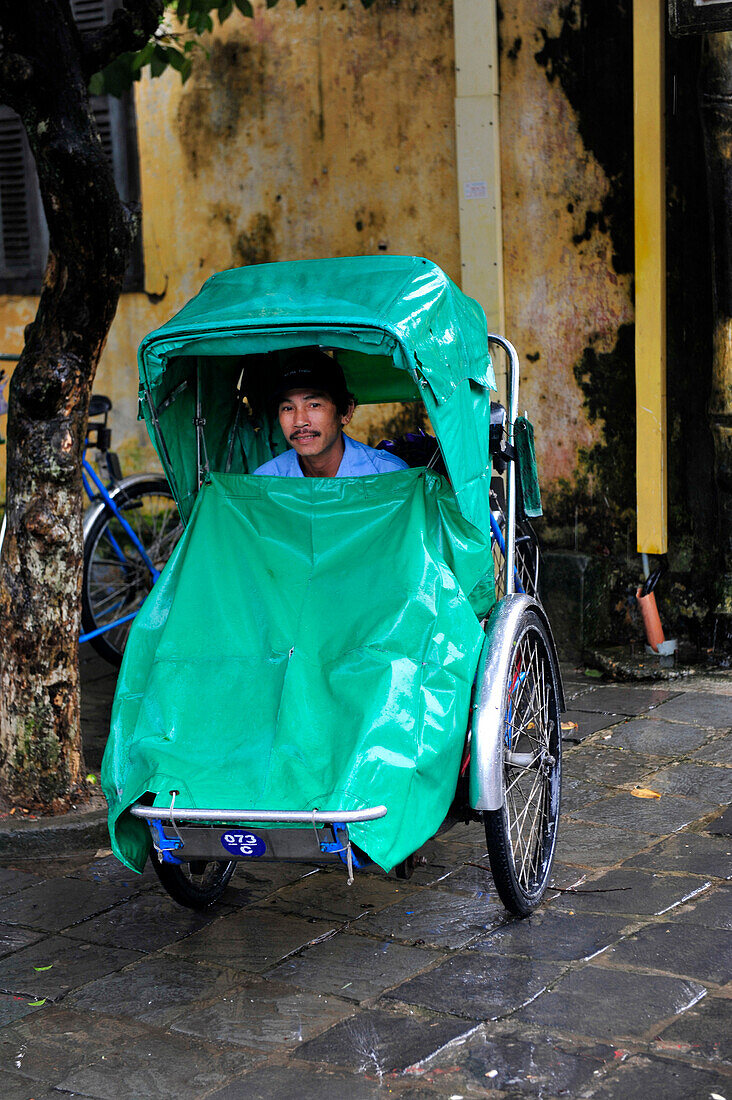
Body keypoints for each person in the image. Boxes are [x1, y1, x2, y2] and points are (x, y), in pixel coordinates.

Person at [253, 349, 409, 478]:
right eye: (288, 408)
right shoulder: (267, 481)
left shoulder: (387, 475)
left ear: (346, 411)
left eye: (314, 405)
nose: (299, 421)